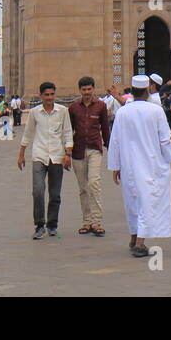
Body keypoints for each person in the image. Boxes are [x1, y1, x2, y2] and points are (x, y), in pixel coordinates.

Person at [107, 75, 171, 255]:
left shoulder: (123, 112)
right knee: (148, 200)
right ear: (147, 90)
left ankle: (135, 233)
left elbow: (114, 141)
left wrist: (115, 165)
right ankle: (139, 242)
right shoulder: (156, 111)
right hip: (152, 163)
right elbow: (165, 139)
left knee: (133, 200)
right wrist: (169, 159)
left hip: (129, 164)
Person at [18, 82, 74, 239]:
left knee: (55, 194)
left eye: (52, 94)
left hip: (57, 155)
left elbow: (68, 132)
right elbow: (28, 133)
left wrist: (68, 153)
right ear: (41, 95)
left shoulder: (63, 111)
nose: (49, 98)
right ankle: (39, 224)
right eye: (46, 95)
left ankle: (52, 225)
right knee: (37, 191)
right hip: (39, 155)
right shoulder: (35, 112)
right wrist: (21, 154)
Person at [68, 76, 111, 237]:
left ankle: (96, 221)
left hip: (94, 148)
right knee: (83, 188)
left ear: (93, 89)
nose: (86, 92)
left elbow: (105, 129)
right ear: (80, 90)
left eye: (89, 89)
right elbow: (68, 131)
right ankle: (86, 221)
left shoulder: (100, 106)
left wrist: (110, 149)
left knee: (94, 183)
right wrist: (66, 152)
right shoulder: (73, 108)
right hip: (78, 150)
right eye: (84, 89)